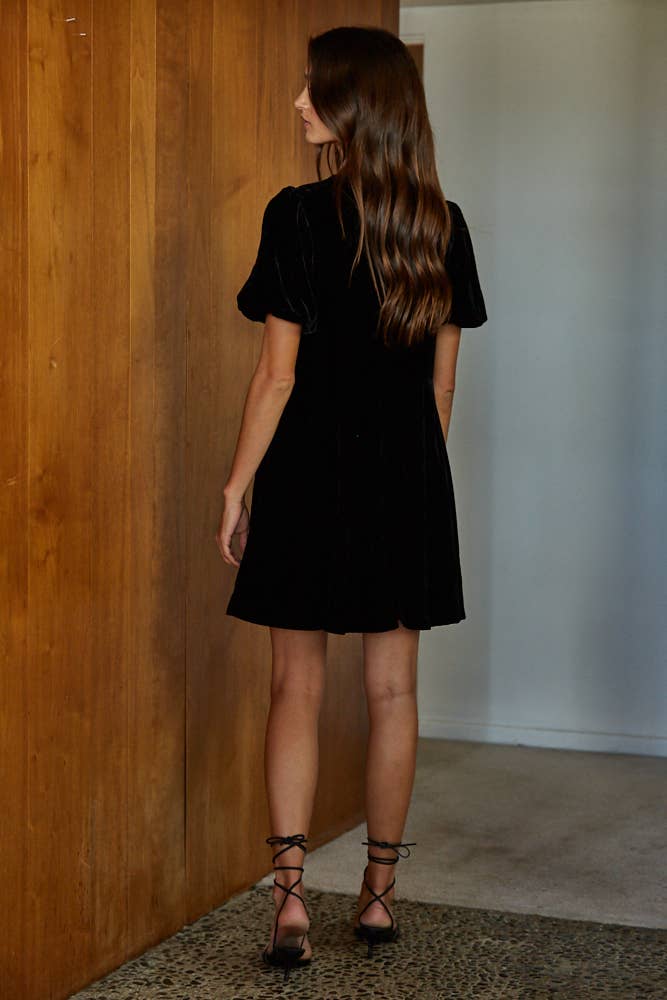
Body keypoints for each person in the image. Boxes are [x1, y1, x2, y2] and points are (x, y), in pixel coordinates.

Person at [215, 25, 487, 982]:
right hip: (406, 478)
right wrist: (412, 483)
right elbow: (440, 390)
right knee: (393, 693)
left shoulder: (295, 215)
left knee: (294, 686)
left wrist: (236, 485)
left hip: (305, 475)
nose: (299, 102)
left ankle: (289, 897)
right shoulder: (441, 225)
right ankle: (377, 896)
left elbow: (277, 377)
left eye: (314, 89)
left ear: (358, 105)